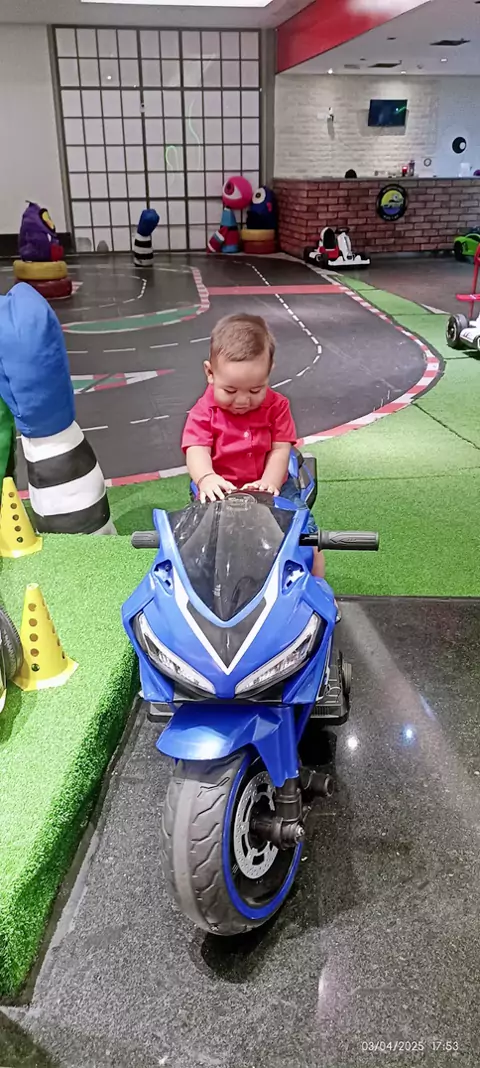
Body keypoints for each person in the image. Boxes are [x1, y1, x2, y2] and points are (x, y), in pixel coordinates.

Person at [181, 313, 325, 579]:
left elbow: (280, 449)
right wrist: (206, 477)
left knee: (307, 538)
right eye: (230, 391)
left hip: (270, 485)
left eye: (255, 390)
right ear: (210, 373)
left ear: (269, 372)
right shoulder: (203, 412)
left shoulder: (278, 406)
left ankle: (317, 585)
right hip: (220, 488)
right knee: (196, 543)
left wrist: (270, 482)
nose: (242, 401)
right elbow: (196, 449)